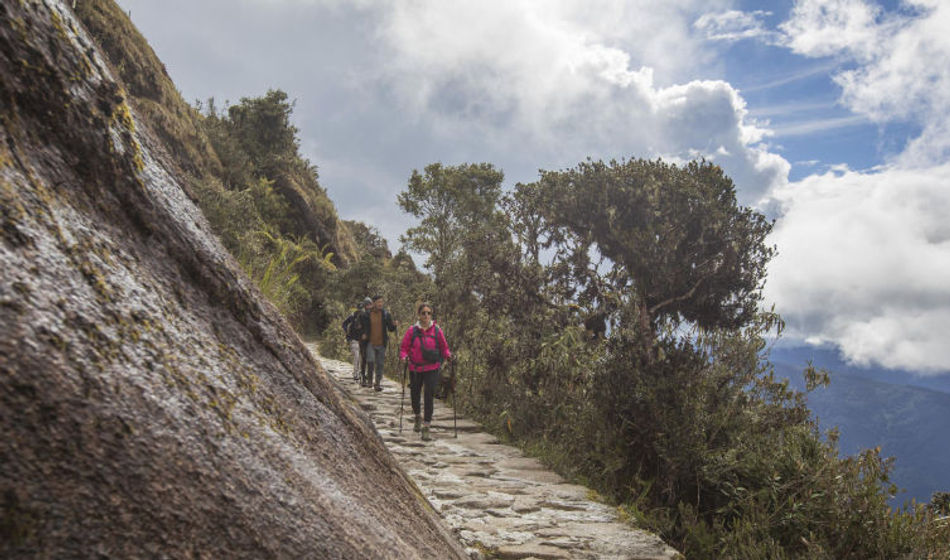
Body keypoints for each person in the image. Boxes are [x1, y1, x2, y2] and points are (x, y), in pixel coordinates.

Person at [399, 303, 451, 441]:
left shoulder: (437, 330)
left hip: (432, 368)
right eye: (424, 313)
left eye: (429, 313)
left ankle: (426, 426)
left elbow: (444, 347)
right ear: (419, 315)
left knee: (429, 396)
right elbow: (404, 347)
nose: (426, 316)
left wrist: (448, 355)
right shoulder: (412, 330)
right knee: (415, 394)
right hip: (415, 368)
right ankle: (417, 416)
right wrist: (404, 357)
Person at [360, 295, 398, 391]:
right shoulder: (367, 315)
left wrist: (394, 325)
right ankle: (369, 381)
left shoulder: (386, 314)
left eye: (382, 302)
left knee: (380, 364)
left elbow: (390, 329)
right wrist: (363, 334)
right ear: (373, 303)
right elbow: (362, 327)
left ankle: (377, 383)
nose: (380, 304)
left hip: (381, 343)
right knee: (370, 361)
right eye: (378, 302)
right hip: (370, 342)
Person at [341, 301, 365, 382]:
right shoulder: (352, 316)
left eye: (361, 309)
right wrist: (347, 332)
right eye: (359, 309)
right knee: (357, 357)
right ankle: (356, 374)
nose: (360, 310)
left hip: (361, 341)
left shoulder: (364, 317)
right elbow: (344, 324)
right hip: (354, 340)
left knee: (361, 358)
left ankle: (360, 374)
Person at [356, 297, 373, 386]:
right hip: (363, 341)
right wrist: (362, 333)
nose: (369, 306)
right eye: (367, 305)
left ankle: (370, 379)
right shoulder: (361, 315)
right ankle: (363, 378)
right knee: (364, 359)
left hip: (371, 340)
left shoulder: (374, 315)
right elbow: (357, 326)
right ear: (365, 306)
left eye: (370, 304)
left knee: (371, 360)